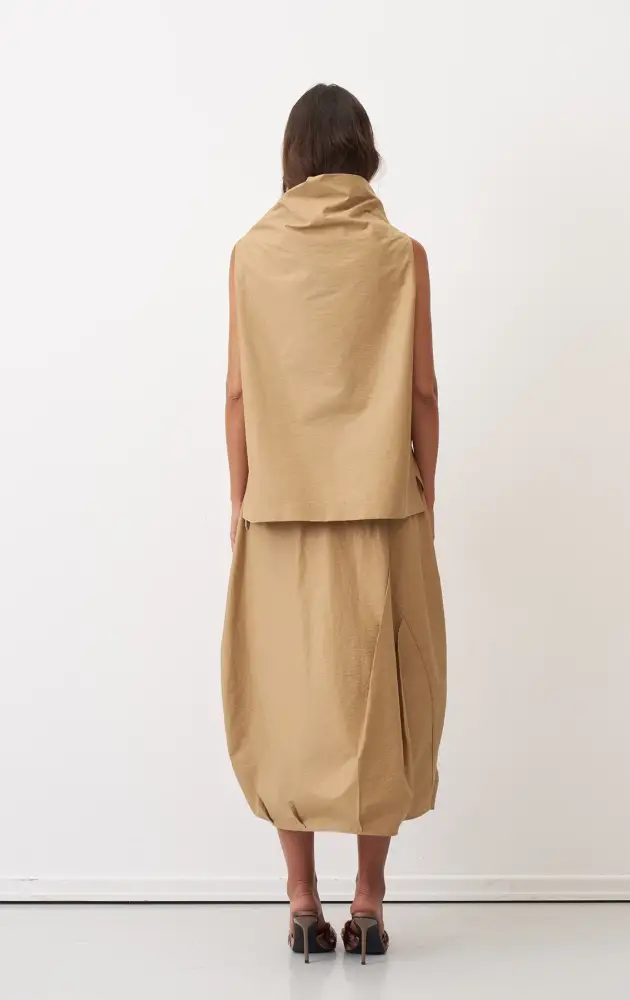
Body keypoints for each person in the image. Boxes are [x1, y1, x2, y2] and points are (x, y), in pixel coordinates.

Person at [221, 83, 446, 964]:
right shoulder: (400, 255)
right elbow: (422, 392)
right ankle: (369, 900)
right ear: (364, 154)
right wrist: (428, 491)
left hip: (278, 510)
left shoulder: (250, 255)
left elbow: (237, 395)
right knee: (380, 700)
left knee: (287, 699)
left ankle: (301, 900)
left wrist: (238, 502)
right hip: (384, 509)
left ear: (292, 158)